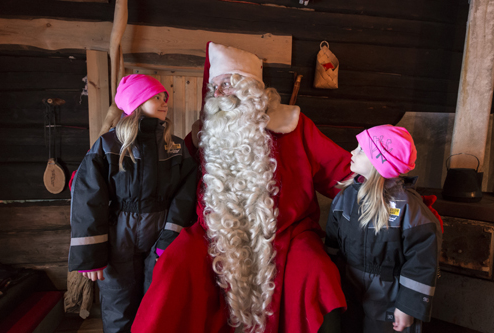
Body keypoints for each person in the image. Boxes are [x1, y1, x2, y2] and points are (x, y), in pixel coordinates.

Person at [132, 42, 352, 333]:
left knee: (317, 272)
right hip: (216, 236)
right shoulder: (202, 136)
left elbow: (344, 172)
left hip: (287, 235)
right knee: (175, 265)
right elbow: (170, 179)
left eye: (228, 83)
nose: (219, 93)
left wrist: (384, 188)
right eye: (215, 87)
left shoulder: (295, 127)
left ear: (252, 89)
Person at [68, 74, 197, 333]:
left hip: (160, 232)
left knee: (157, 305)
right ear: (136, 103)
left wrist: (169, 240)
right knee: (118, 307)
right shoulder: (108, 145)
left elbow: (186, 194)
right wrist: (91, 254)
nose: (164, 103)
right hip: (118, 238)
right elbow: (87, 198)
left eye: (164, 98)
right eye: (156, 97)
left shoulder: (176, 148)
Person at [324, 125, 442, 333]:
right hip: (349, 286)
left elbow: (421, 263)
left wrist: (408, 307)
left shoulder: (409, 209)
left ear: (381, 163)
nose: (352, 152)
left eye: (361, 150)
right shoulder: (345, 197)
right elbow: (332, 241)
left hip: (389, 295)